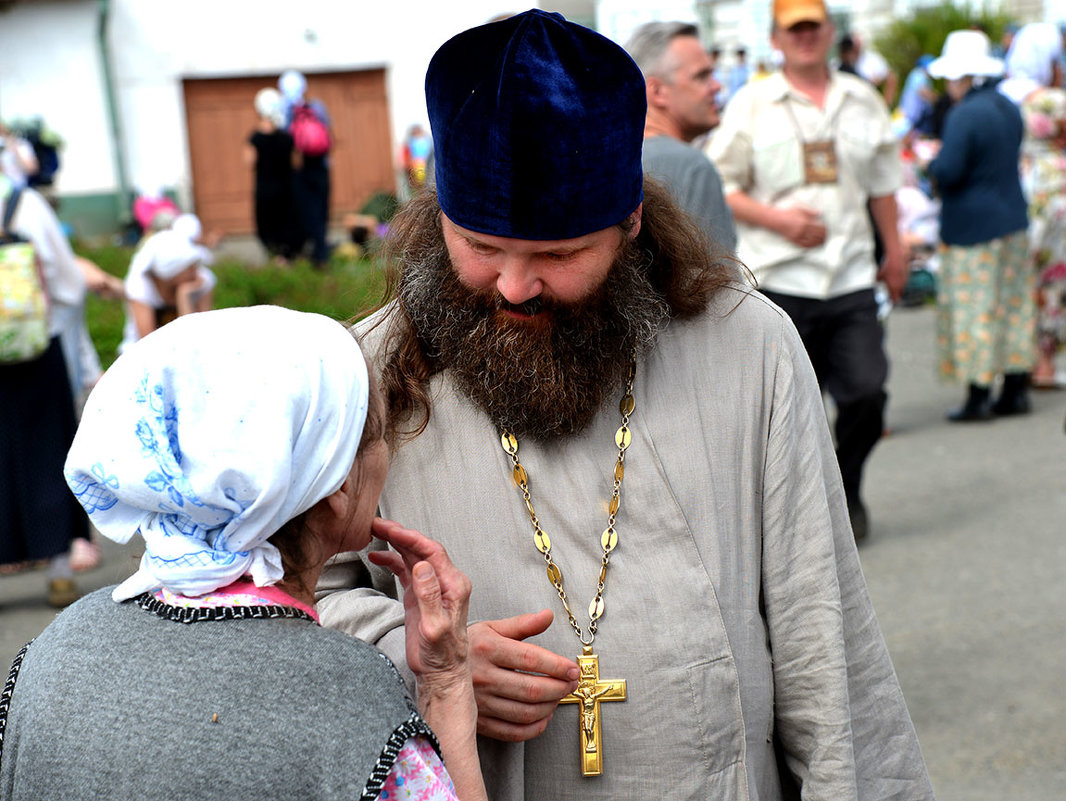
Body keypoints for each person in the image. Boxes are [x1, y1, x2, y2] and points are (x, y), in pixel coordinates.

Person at [316, 10, 934, 800]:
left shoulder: (748, 347)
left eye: (559, 254)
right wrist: (412, 648)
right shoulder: (361, 374)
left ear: (630, 221)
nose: (513, 286)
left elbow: (825, 637)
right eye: (478, 244)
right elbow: (292, 601)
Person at [0, 305, 488, 800]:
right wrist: (445, 686)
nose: (387, 452)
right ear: (336, 484)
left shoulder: (53, 651)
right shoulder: (348, 698)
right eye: (378, 435)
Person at [708, 0, 905, 542]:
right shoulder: (752, 104)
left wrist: (896, 250)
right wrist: (778, 219)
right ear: (776, 37)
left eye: (813, 26)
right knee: (789, 416)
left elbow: (884, 185)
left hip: (850, 275)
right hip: (779, 280)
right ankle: (798, 524)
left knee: (868, 392)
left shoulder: (861, 99)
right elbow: (722, 181)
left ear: (829, 31)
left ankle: (847, 485)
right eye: (793, 29)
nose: (805, 37)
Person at [924, 30, 1031, 420]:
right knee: (1012, 305)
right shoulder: (1007, 106)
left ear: (964, 77)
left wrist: (930, 165)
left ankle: (978, 395)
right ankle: (1016, 388)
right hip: (1011, 218)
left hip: (973, 225)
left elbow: (949, 170)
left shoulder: (964, 114)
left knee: (977, 310)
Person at [0, 177, 87, 607]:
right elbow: (68, 282)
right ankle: (58, 570)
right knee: (47, 451)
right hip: (33, 343)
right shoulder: (22, 202)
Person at [624, 21, 737, 253]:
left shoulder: (609, 162)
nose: (716, 86)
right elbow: (720, 282)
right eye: (702, 76)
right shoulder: (692, 166)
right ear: (657, 92)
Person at [1000, 21, 1066, 389]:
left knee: (1019, 275)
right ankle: (1043, 361)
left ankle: (1016, 360)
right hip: (1053, 194)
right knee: (1052, 278)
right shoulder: (1053, 101)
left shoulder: (1002, 96)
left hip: (1013, 189)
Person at [119, 213, 216, 354]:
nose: (195, 271)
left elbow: (202, 339)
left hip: (187, 355)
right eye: (189, 267)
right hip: (141, 358)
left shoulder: (201, 280)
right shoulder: (140, 286)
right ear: (171, 273)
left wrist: (184, 298)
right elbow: (147, 346)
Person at [280, 69, 332, 268]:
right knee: (322, 209)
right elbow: (329, 134)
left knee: (306, 210)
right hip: (321, 165)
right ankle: (321, 253)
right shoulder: (317, 107)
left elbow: (286, 139)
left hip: (301, 168)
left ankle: (314, 254)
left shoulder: (286, 110)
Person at [245, 87, 298, 263]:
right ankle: (285, 259)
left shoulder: (255, 138)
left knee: (266, 226)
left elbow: (249, 163)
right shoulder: (287, 137)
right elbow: (297, 162)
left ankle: (274, 259)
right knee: (286, 224)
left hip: (264, 190)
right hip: (286, 189)